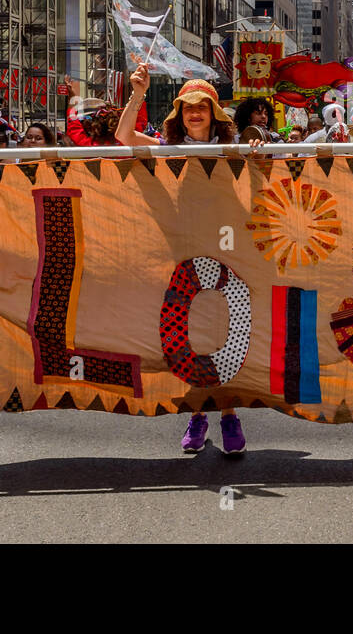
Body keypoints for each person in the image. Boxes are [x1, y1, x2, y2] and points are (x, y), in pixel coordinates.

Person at [115, 63, 256, 455]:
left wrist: (258, 149)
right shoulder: (168, 150)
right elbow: (123, 136)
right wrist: (138, 92)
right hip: (183, 253)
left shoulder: (234, 148)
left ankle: (228, 414)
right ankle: (198, 414)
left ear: (214, 113)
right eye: (187, 107)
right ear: (179, 114)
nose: (195, 113)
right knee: (192, 336)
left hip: (228, 253)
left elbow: (263, 173)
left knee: (226, 338)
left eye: (203, 106)